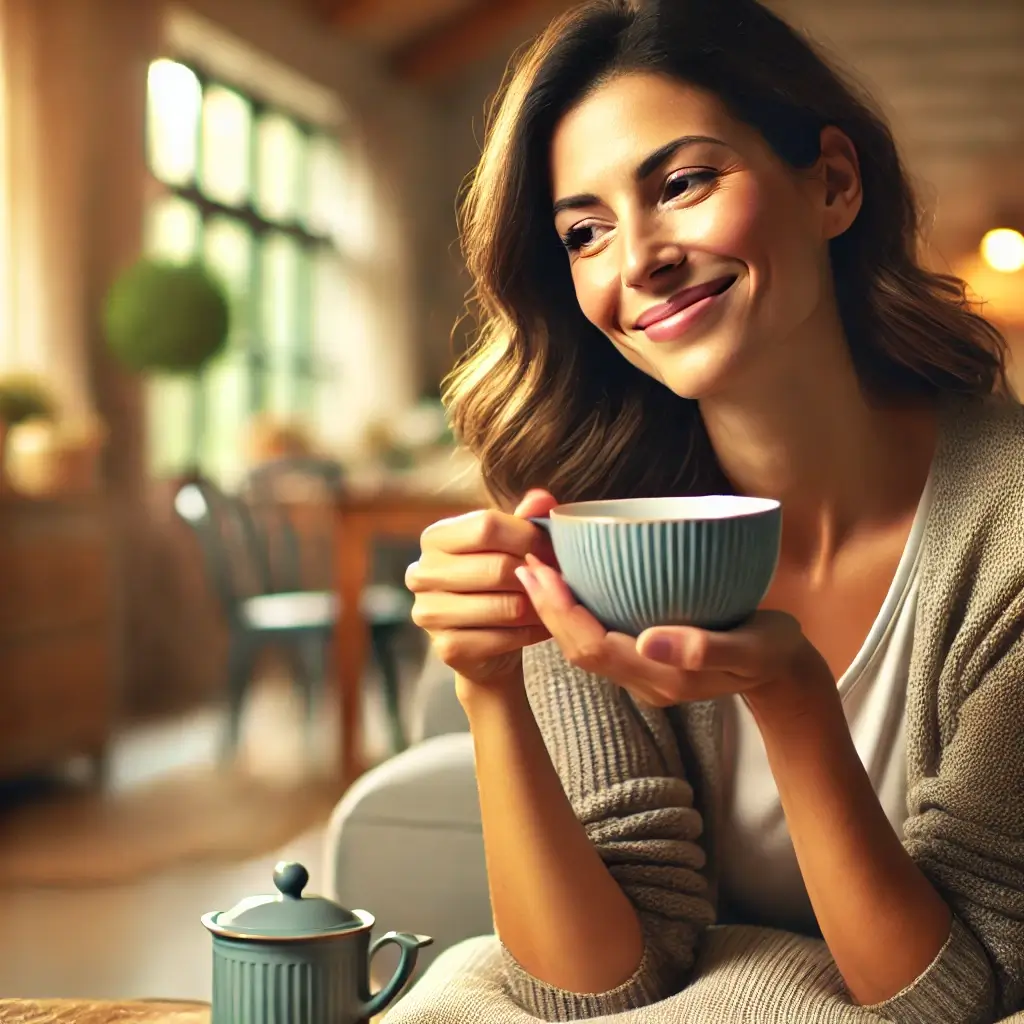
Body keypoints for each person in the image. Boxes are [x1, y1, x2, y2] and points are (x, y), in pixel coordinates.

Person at [399, 0, 1024, 1020]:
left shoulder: (1009, 529)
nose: (638, 258)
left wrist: (791, 700)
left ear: (830, 182)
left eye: (682, 184)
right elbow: (594, 986)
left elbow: (951, 994)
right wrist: (489, 690)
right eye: (584, 232)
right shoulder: (583, 525)